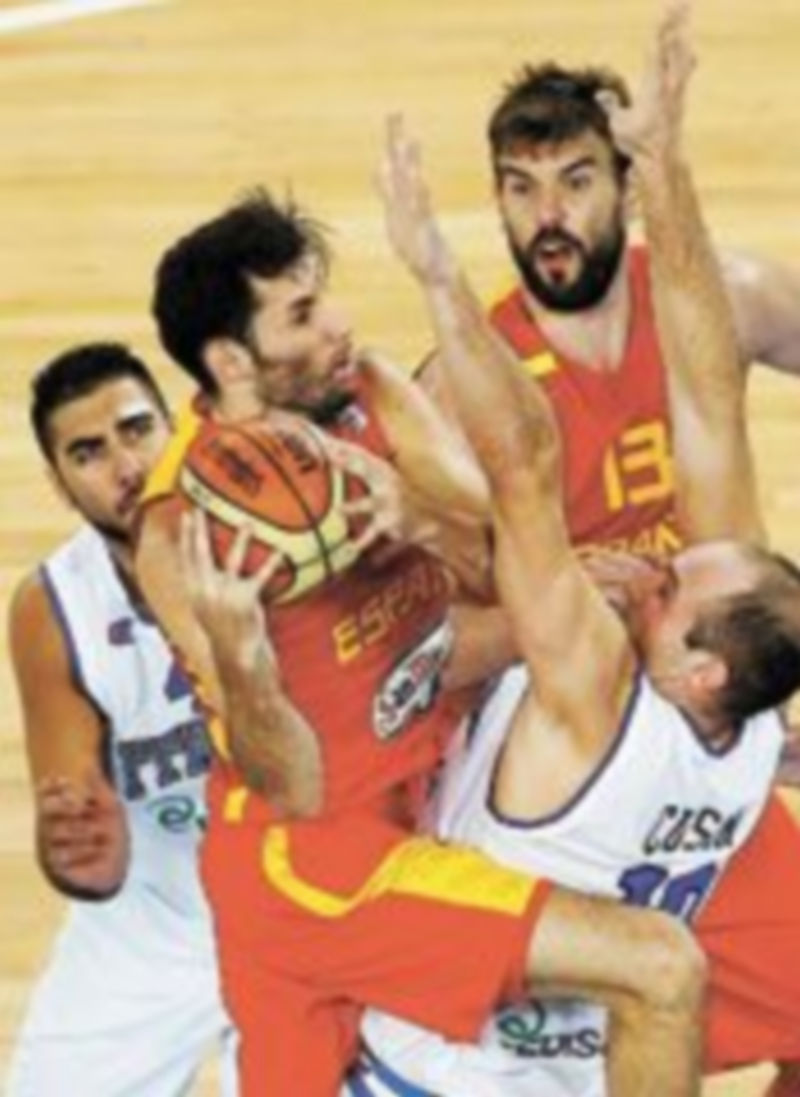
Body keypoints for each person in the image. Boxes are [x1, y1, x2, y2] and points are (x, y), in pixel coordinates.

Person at [135, 168, 709, 1097]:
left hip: (444, 780)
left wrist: (416, 516)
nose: (338, 331)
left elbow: (499, 559)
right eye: (302, 316)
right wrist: (244, 663)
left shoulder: (366, 390)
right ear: (230, 362)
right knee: (661, 968)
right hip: (319, 862)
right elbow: (290, 778)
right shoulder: (183, 537)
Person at [348, 5, 800, 1094]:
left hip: (700, 706)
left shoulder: (714, 298)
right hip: (571, 721)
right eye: (518, 186)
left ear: (623, 184)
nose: (545, 216)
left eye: (575, 181)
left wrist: (760, 673)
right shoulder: (465, 384)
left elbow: (702, 394)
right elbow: (405, 631)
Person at [5, 344, 236, 1097]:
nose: (125, 465)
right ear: (59, 482)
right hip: (152, 919)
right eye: (89, 452)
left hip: (295, 903)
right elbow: (82, 841)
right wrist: (72, 848)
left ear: (176, 430)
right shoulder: (52, 608)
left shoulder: (265, 535)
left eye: (137, 430)